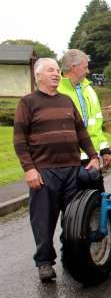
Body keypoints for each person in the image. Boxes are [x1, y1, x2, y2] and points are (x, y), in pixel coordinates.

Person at [13, 58, 100, 282]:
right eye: (50, 70)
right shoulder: (28, 103)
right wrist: (29, 170)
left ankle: (71, 260)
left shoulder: (66, 101)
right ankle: (44, 263)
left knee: (74, 220)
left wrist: (93, 156)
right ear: (38, 75)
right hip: (44, 172)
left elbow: (81, 132)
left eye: (56, 70)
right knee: (43, 220)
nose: (55, 74)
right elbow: (19, 140)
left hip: (72, 169)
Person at [58, 49, 111, 256]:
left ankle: (109, 241)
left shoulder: (88, 90)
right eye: (85, 66)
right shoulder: (59, 93)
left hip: (93, 158)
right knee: (71, 207)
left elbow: (96, 125)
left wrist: (104, 149)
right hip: (72, 160)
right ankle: (70, 247)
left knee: (101, 200)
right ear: (73, 67)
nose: (88, 71)